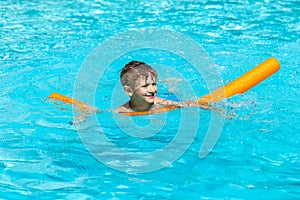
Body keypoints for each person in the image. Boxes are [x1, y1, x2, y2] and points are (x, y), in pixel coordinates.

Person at [114, 61, 207, 114]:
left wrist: (209, 107)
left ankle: (172, 85)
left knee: (175, 93)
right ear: (129, 90)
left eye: (154, 84)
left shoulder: (162, 103)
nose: (152, 90)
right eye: (145, 86)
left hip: (169, 97)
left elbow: (187, 104)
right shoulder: (122, 111)